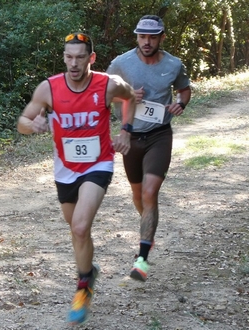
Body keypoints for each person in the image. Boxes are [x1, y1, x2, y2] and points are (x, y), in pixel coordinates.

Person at [17, 32, 136, 325]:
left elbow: (130, 98)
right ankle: (89, 270)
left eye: (80, 57)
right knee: (75, 229)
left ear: (91, 58)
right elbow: (22, 123)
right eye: (68, 57)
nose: (73, 63)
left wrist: (125, 131)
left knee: (81, 226)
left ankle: (83, 287)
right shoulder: (49, 89)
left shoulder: (108, 85)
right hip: (65, 170)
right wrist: (34, 125)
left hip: (98, 164)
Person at [107, 15, 191, 282]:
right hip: (131, 136)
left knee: (149, 191)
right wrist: (126, 94)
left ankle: (142, 257)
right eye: (142, 36)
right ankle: (149, 229)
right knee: (137, 194)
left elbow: (184, 90)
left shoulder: (173, 64)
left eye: (152, 37)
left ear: (161, 37)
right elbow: (103, 93)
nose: (146, 41)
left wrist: (181, 103)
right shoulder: (121, 63)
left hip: (159, 135)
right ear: (137, 37)